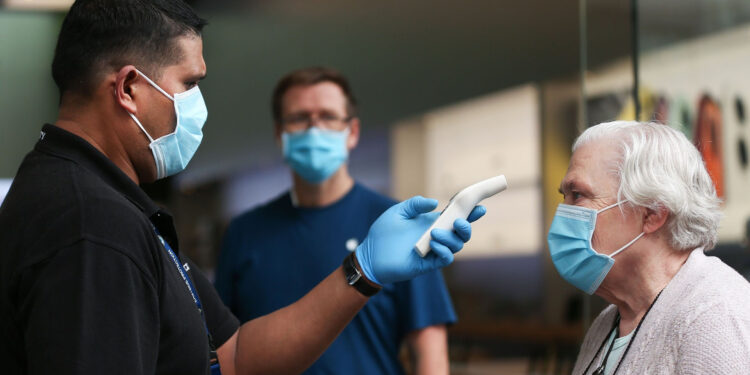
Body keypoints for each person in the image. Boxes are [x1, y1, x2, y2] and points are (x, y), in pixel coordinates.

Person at [0, 1, 486, 374]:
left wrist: (364, 270)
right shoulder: (91, 227)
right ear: (129, 88)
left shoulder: (114, 205)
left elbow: (236, 355)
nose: (198, 104)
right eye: (190, 83)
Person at [214, 67, 456, 375]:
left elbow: (430, 355)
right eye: (299, 118)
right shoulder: (243, 233)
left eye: (328, 116)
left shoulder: (398, 227)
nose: (314, 130)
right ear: (280, 134)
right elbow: (222, 348)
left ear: (352, 132)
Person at [547, 120, 750, 374]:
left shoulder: (714, 320)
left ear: (652, 214)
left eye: (577, 195)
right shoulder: (609, 322)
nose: (563, 213)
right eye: (564, 196)